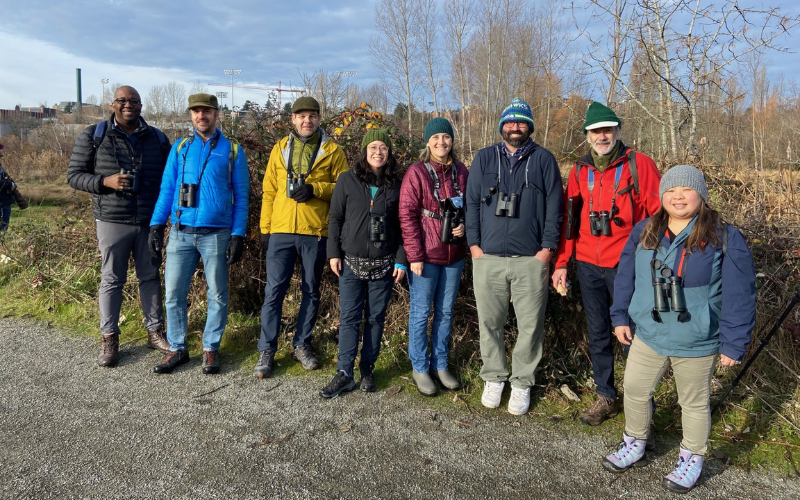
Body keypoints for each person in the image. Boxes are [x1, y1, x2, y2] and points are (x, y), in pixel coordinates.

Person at [602, 165, 755, 494]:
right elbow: (626, 275)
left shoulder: (724, 236)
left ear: (701, 195)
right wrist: (620, 316)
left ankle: (691, 458)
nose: (678, 196)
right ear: (662, 196)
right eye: (671, 190)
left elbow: (740, 294)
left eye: (686, 189)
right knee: (635, 390)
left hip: (697, 337)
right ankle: (635, 442)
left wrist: (733, 342)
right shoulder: (645, 230)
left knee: (694, 403)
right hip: (649, 333)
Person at [551, 102, 662, 426]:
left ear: (617, 131)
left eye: (608, 129)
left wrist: (648, 258)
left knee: (633, 335)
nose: (602, 135)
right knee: (598, 332)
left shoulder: (639, 165)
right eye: (596, 131)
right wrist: (561, 263)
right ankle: (606, 396)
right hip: (587, 264)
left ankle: (641, 407)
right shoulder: (579, 171)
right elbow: (570, 222)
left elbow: (657, 216)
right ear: (587, 135)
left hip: (626, 267)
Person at [465, 98, 564, 416]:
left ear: (530, 126)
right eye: (510, 122)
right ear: (501, 126)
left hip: (529, 260)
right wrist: (474, 247)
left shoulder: (544, 160)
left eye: (521, 122)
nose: (515, 127)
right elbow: (470, 205)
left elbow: (555, 208)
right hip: (488, 257)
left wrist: (547, 249)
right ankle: (494, 377)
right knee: (489, 322)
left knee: (530, 325)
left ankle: (522, 383)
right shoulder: (483, 159)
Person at [67, 86, 171, 367]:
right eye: (122, 101)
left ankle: (155, 331)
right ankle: (109, 337)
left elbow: (170, 178)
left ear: (140, 106)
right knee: (112, 279)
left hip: (150, 220)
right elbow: (74, 176)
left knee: (150, 277)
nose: (128, 105)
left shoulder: (158, 138)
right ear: (112, 104)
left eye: (133, 101)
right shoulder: (94, 135)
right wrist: (105, 182)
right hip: (112, 220)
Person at [148, 93, 250, 375]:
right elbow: (167, 189)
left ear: (217, 115)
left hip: (216, 234)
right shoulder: (180, 148)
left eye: (206, 111)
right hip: (180, 234)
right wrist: (157, 225)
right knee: (173, 294)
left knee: (217, 294)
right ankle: (177, 348)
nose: (201, 116)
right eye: (196, 111)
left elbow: (242, 196)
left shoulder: (232, 151)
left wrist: (238, 234)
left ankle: (210, 348)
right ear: (191, 115)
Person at [255, 96, 348, 378]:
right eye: (301, 116)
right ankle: (266, 349)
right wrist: (265, 229)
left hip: (315, 232)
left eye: (312, 116)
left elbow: (344, 188)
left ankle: (302, 344)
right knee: (274, 291)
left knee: (311, 290)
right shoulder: (279, 148)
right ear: (292, 120)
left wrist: (316, 189)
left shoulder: (333, 151)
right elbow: (269, 190)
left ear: (320, 119)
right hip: (281, 230)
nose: (307, 120)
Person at [321, 129, 407, 398]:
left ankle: (368, 368)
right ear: (364, 151)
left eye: (383, 147)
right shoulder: (347, 180)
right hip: (349, 264)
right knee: (349, 318)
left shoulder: (398, 184)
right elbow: (335, 218)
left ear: (389, 152)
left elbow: (406, 224)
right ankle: (344, 372)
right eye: (373, 147)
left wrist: (402, 260)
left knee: (375, 319)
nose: (378, 152)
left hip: (385, 265)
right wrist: (333, 253)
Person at [399, 117, 469, 396]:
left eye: (446, 137)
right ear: (427, 141)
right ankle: (419, 367)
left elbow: (471, 206)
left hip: (455, 255)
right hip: (425, 256)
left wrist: (465, 225)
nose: (442, 142)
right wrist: (414, 255)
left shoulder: (461, 171)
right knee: (420, 313)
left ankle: (440, 364)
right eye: (436, 137)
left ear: (452, 141)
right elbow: (406, 215)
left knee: (445, 312)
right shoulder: (416, 172)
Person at [0, 143, 29, 232]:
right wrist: (10, 184)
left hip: (4, 201)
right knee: (3, 229)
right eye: (1, 149)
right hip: (2, 203)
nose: (2, 151)